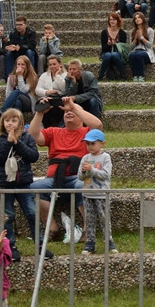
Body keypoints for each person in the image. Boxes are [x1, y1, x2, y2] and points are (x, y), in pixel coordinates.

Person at [28, 97, 103, 258]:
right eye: (66, 112)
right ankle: (52, 227)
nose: (68, 113)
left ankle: (86, 229)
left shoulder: (87, 133)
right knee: (34, 188)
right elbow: (33, 136)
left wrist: (74, 107)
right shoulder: (54, 131)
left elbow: (98, 125)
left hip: (79, 176)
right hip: (54, 179)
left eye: (72, 112)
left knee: (82, 185)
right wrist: (40, 113)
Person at [0, 108, 38, 262]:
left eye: (14, 120)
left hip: (23, 183)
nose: (10, 123)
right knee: (7, 216)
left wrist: (18, 143)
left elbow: (33, 156)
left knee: (32, 213)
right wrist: (8, 143)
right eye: (7, 120)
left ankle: (40, 244)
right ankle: (11, 247)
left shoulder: (27, 138)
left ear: (20, 123)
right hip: (5, 184)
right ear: (3, 123)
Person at [78, 129, 116, 254]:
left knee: (104, 218)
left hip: (102, 194)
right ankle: (90, 242)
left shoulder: (105, 157)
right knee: (89, 219)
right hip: (88, 193)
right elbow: (80, 177)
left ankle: (108, 241)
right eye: (87, 144)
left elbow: (105, 175)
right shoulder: (85, 158)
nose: (90, 146)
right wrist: (84, 172)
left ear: (102, 143)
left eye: (93, 143)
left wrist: (92, 169)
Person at [126, 12, 155, 83]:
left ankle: (141, 76)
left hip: (146, 52)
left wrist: (141, 38)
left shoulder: (150, 30)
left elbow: (150, 45)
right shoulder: (132, 31)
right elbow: (131, 47)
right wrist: (135, 39)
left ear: (142, 19)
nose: (137, 19)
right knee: (131, 55)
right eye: (135, 18)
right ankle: (135, 76)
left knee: (139, 55)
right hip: (135, 51)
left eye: (139, 17)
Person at [97, 13, 127, 82]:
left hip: (118, 53)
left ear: (118, 21)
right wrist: (108, 44)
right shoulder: (104, 32)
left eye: (114, 19)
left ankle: (123, 75)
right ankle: (100, 76)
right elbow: (103, 48)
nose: (112, 21)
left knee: (114, 55)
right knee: (108, 55)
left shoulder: (122, 33)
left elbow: (123, 48)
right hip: (106, 53)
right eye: (110, 20)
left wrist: (115, 44)